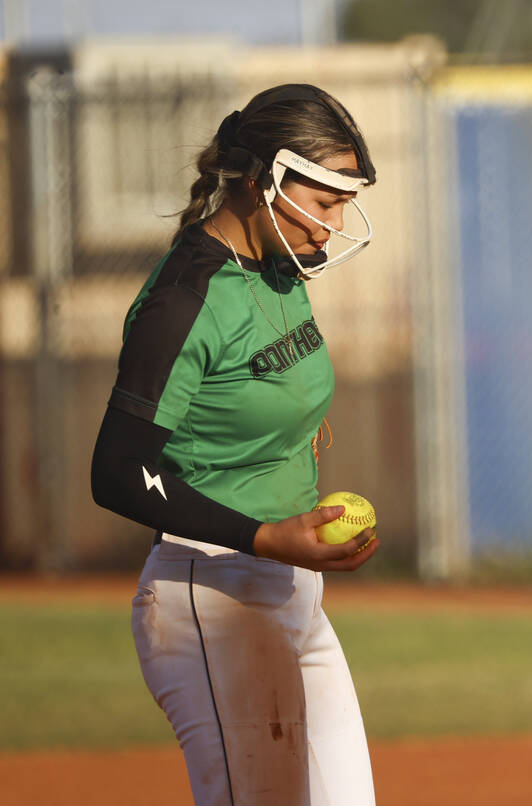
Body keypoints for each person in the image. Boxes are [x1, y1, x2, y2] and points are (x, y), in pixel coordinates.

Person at [91, 83, 381, 806]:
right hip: (211, 597)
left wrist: (292, 421)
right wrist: (266, 533)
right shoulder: (184, 299)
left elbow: (256, 381)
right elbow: (118, 472)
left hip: (292, 595)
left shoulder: (280, 264)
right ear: (264, 183)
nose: (336, 222)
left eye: (344, 199)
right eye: (325, 201)